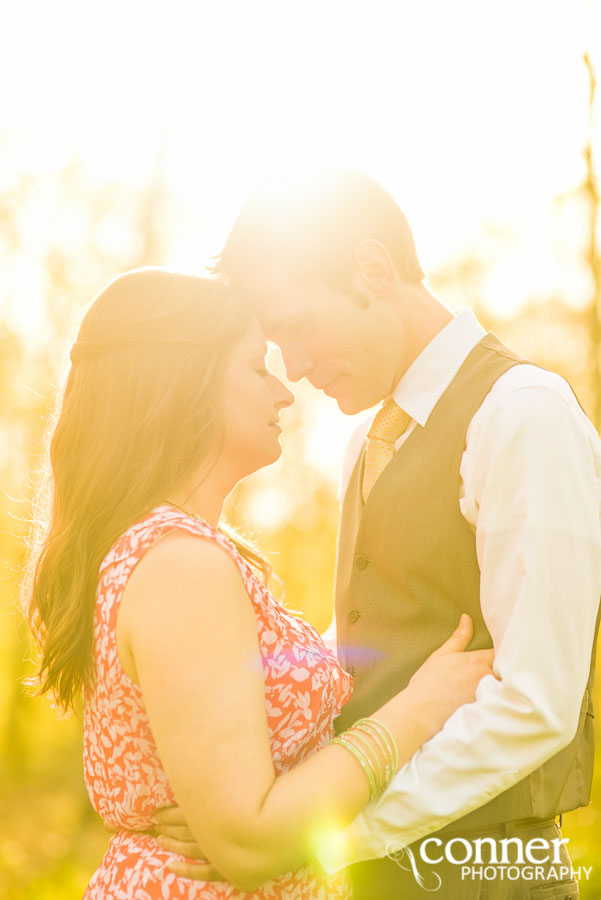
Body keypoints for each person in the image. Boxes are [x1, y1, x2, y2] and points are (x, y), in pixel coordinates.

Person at [159, 170, 601, 898]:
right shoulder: (367, 439)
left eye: (296, 328)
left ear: (373, 269)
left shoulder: (523, 412)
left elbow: (534, 705)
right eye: (274, 346)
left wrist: (322, 834)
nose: (293, 370)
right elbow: (370, 643)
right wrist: (248, 806)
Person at [25, 268, 494, 900]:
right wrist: (418, 710)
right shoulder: (181, 565)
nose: (284, 393)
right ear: (182, 383)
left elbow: (245, 793)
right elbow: (248, 839)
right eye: (256, 367)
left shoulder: (181, 552)